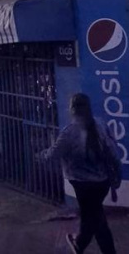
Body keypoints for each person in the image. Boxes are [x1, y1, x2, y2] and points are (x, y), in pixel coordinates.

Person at [41, 93, 121, 254]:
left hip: (81, 185)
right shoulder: (100, 124)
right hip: (102, 183)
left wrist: (41, 154)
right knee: (93, 215)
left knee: (95, 219)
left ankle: (84, 245)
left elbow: (53, 154)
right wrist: (117, 176)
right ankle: (80, 244)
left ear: (72, 110)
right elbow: (114, 154)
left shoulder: (68, 133)